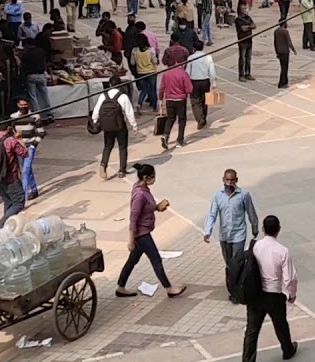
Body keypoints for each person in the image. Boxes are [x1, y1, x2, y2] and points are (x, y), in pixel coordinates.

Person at [115, 164, 187, 298]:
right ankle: (169, 288)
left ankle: (120, 286)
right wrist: (131, 241)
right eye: (152, 177)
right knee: (156, 260)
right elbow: (133, 218)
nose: (154, 179)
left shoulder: (141, 188)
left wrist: (158, 207)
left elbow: (145, 208)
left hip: (142, 232)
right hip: (141, 234)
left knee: (132, 261)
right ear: (145, 177)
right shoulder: (140, 195)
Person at [242, 215, 299, 362]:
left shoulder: (255, 246)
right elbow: (289, 277)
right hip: (274, 294)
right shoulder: (282, 251)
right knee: (281, 324)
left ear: (263, 229)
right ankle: (287, 349)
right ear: (279, 230)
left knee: (252, 330)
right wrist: (291, 294)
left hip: (255, 293)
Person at [203, 168, 260, 304]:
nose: (229, 183)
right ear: (223, 180)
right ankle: (233, 285)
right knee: (229, 263)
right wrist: (207, 231)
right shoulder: (218, 196)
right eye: (227, 180)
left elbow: (251, 212)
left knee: (237, 263)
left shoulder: (243, 195)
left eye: (232, 180)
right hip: (224, 236)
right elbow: (212, 214)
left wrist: (254, 227)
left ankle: (236, 292)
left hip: (238, 235)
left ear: (236, 180)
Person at [91, 74, 137, 180]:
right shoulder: (123, 96)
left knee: (108, 146)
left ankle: (103, 164)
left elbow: (96, 111)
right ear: (120, 85)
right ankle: (122, 170)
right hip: (120, 125)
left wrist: (95, 122)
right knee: (122, 147)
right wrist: (134, 125)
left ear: (110, 84)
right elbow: (129, 113)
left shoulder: (103, 96)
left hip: (107, 126)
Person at [0, 121, 28, 230]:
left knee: (8, 202)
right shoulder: (11, 141)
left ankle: (7, 228)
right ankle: (0, 225)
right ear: (9, 128)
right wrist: (19, 138)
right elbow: (25, 153)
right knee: (19, 202)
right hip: (11, 178)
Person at [10, 98, 45, 201]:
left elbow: (41, 133)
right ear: (18, 105)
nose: (24, 106)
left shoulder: (35, 117)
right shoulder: (13, 117)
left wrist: (34, 145)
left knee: (25, 171)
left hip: (30, 147)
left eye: (26, 104)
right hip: (19, 147)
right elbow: (11, 131)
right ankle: (34, 190)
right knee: (27, 170)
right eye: (22, 105)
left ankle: (23, 197)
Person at [158, 50, 193, 149]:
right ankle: (179, 140)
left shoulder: (166, 74)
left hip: (169, 99)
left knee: (170, 118)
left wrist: (160, 99)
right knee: (182, 120)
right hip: (181, 99)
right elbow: (189, 89)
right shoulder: (183, 74)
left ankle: (165, 135)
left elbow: (161, 88)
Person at [185, 40, 216, 130]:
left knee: (195, 101)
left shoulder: (191, 58)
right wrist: (214, 83)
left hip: (194, 81)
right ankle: (204, 117)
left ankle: (200, 118)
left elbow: (187, 72)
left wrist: (186, 84)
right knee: (204, 100)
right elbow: (212, 72)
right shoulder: (208, 57)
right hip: (205, 81)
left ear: (194, 48)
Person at [21, 40, 50, 115]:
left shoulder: (26, 54)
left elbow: (23, 66)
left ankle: (37, 113)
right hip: (41, 75)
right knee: (45, 95)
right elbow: (44, 62)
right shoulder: (41, 51)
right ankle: (48, 112)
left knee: (33, 96)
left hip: (31, 75)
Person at [130, 38, 158, 112]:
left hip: (140, 72)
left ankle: (139, 103)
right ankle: (154, 107)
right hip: (151, 71)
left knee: (144, 89)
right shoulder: (150, 50)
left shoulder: (134, 50)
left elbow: (132, 62)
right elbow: (155, 61)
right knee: (152, 89)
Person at [275, 19, 297, 89]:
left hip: (279, 51)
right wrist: (294, 50)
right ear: (284, 24)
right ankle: (282, 82)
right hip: (285, 51)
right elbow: (289, 42)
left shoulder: (276, 31)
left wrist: (276, 52)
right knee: (285, 68)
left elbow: (275, 43)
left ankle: (284, 81)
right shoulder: (285, 31)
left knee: (282, 67)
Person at [235, 9, 255, 81]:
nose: (245, 10)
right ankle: (241, 75)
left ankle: (247, 73)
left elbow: (254, 26)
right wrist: (249, 26)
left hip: (249, 40)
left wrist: (248, 27)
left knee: (248, 58)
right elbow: (243, 29)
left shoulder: (248, 18)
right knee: (242, 58)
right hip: (242, 41)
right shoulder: (238, 20)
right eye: (243, 8)